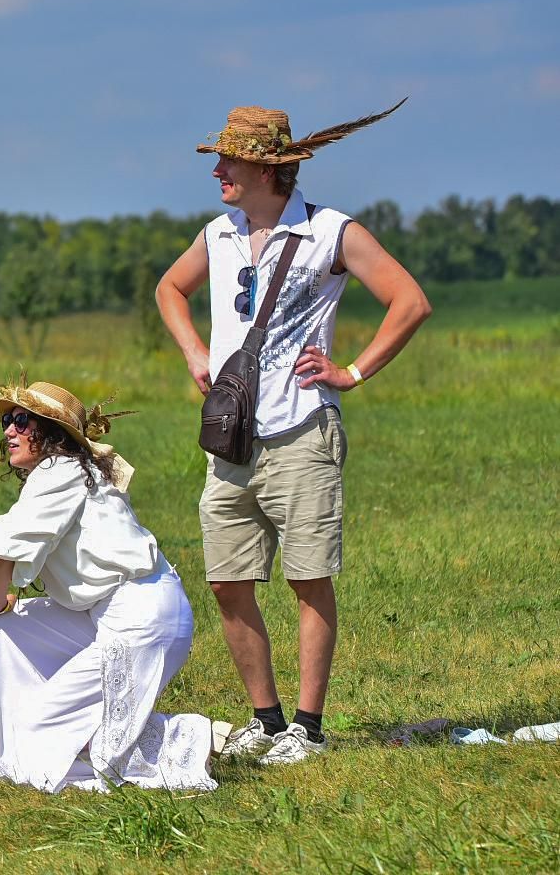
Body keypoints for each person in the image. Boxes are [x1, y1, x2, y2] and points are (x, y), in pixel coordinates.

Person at [155, 101, 431, 765]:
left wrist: (353, 370)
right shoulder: (217, 235)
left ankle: (307, 728)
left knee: (308, 578)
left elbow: (409, 301)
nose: (218, 170)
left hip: (304, 428)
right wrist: (195, 352)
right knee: (227, 580)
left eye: (229, 160)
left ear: (264, 169)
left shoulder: (329, 231)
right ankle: (266, 719)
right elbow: (170, 288)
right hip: (233, 442)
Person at [0, 375, 225, 793]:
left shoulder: (61, 470)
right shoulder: (55, 477)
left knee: (45, 742)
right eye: (7, 421)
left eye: (21, 420)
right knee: (10, 628)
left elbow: (2, 553)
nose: (9, 430)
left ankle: (189, 738)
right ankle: (19, 735)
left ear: (50, 433)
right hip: (106, 613)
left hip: (143, 618)